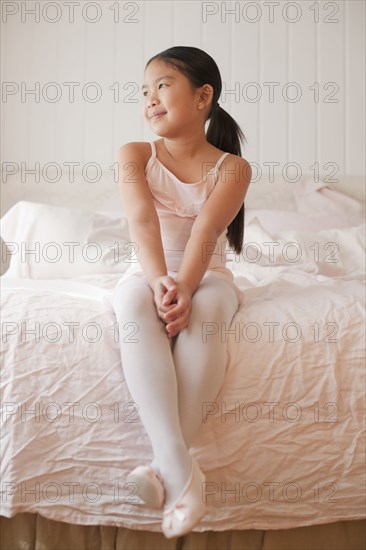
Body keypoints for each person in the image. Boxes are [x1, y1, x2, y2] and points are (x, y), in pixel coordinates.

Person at [112, 45, 252, 539]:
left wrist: (186, 287)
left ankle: (159, 470)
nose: (150, 99)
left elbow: (205, 235)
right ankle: (178, 468)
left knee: (210, 306)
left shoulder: (233, 168)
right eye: (144, 91)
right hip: (147, 270)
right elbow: (141, 222)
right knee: (131, 302)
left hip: (206, 274)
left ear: (202, 96)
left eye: (163, 85)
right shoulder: (134, 155)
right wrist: (158, 282)